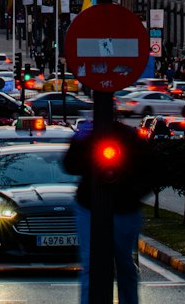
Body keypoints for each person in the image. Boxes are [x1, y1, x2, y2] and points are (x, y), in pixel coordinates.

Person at [64, 121, 152, 304]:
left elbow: (150, 170)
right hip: (93, 206)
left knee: (123, 264)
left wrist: (133, 193)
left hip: (122, 208)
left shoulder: (129, 137)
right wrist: (79, 142)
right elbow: (71, 164)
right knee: (94, 264)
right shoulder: (89, 137)